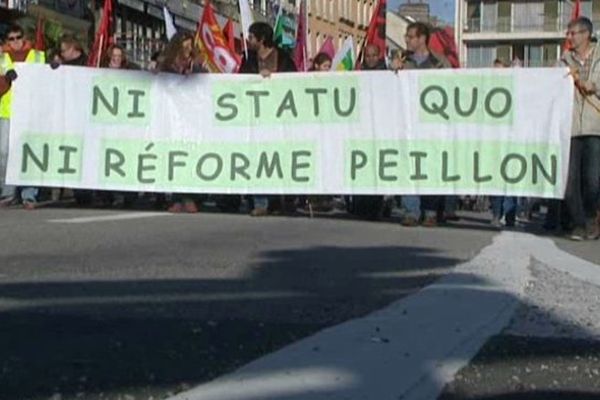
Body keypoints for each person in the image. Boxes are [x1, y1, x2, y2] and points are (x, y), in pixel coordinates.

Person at [393, 22, 451, 227]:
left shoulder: (440, 62)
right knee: (409, 166)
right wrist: (394, 72)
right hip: (408, 124)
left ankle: (431, 211)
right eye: (406, 36)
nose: (406, 40)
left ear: (422, 38)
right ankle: (411, 211)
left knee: (431, 167)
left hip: (431, 126)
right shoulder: (402, 62)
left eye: (410, 36)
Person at [239, 22, 297, 216]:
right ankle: (260, 202)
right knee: (258, 157)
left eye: (251, 36)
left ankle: (278, 201)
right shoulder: (248, 60)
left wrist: (274, 78)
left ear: (261, 39)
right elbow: (240, 82)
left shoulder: (283, 59)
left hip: (279, 118)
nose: (248, 40)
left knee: (277, 158)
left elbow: (295, 82)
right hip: (255, 118)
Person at [561, 17, 600, 241]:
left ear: (586, 34)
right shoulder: (564, 60)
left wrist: (592, 86)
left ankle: (591, 218)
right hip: (572, 127)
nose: (570, 38)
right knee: (569, 180)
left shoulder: (598, 57)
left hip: (595, 127)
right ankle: (579, 223)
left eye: (573, 33)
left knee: (592, 181)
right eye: (569, 33)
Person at [0, 25, 46, 209]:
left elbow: (47, 80)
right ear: (6, 41)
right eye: (11, 38)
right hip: (7, 112)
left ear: (24, 37)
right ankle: (7, 191)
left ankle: (29, 194)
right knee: (4, 153)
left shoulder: (37, 56)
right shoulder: (1, 58)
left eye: (18, 37)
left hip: (29, 112)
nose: (16, 41)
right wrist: (5, 80)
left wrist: (55, 68)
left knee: (29, 152)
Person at [159, 32, 205, 213]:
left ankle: (190, 197)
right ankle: (177, 197)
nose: (187, 50)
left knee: (190, 156)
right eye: (184, 46)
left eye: (189, 46)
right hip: (171, 118)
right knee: (174, 157)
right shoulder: (167, 65)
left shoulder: (198, 65)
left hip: (191, 119)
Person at [489, 58, 517, 228]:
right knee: (496, 181)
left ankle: (510, 215)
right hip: (494, 142)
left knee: (512, 181)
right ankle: (496, 213)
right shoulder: (488, 90)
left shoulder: (514, 89)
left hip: (512, 141)